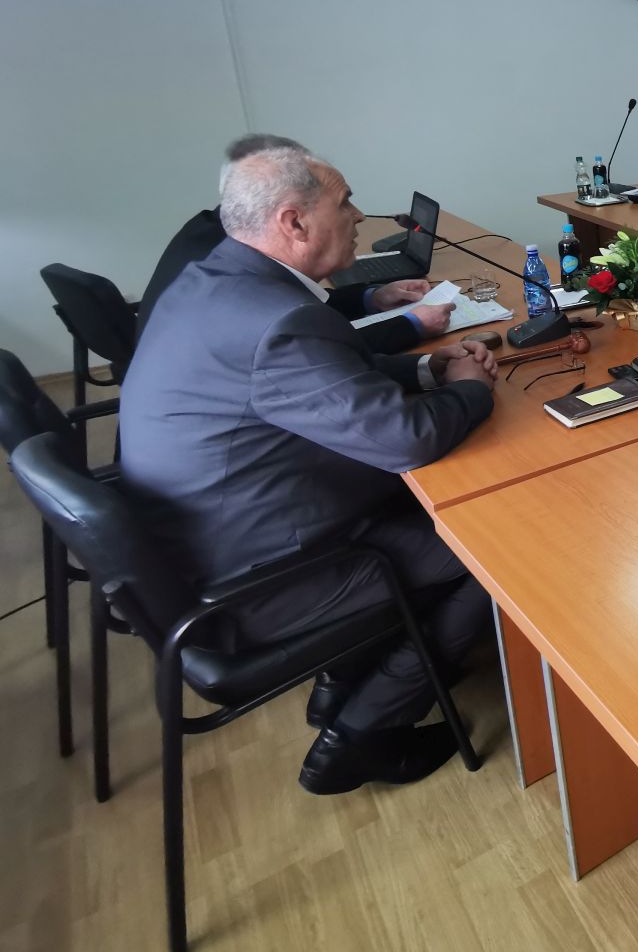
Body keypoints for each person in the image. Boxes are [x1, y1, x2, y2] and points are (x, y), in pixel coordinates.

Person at [119, 147, 500, 793]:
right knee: (495, 554)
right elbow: (406, 439)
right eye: (345, 202)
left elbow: (328, 376)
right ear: (294, 223)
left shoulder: (216, 280)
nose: (359, 216)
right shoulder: (278, 320)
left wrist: (427, 368)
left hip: (208, 536)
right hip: (256, 581)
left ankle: (344, 679)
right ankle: (361, 735)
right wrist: (471, 389)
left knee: (431, 507)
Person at [135, 134, 450, 353]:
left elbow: (302, 307)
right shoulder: (222, 268)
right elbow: (313, 349)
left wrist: (372, 298)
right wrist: (411, 325)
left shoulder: (217, 232)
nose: (358, 215)